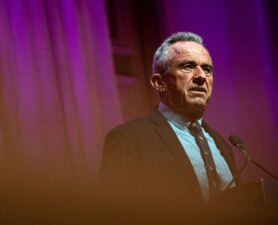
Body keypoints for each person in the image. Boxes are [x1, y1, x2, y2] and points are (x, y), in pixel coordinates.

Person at [99, 32, 239, 207]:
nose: (201, 76)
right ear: (159, 82)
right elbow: (116, 213)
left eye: (207, 69)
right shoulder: (128, 139)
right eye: (187, 66)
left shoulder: (223, 145)